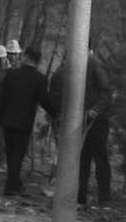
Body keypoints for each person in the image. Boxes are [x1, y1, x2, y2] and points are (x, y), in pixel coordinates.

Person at [48, 49, 113, 207]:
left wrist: (95, 110)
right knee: (82, 159)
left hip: (96, 120)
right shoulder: (77, 64)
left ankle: (104, 198)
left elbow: (106, 92)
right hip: (81, 119)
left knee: (100, 158)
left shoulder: (95, 64)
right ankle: (80, 197)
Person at [0, 44, 52, 197]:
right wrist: (56, 112)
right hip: (24, 121)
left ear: (26, 57)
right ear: (37, 61)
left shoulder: (11, 75)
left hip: (7, 119)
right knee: (18, 155)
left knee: (11, 152)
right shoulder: (40, 79)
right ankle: (12, 185)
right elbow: (45, 101)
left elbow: (2, 98)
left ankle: (14, 182)